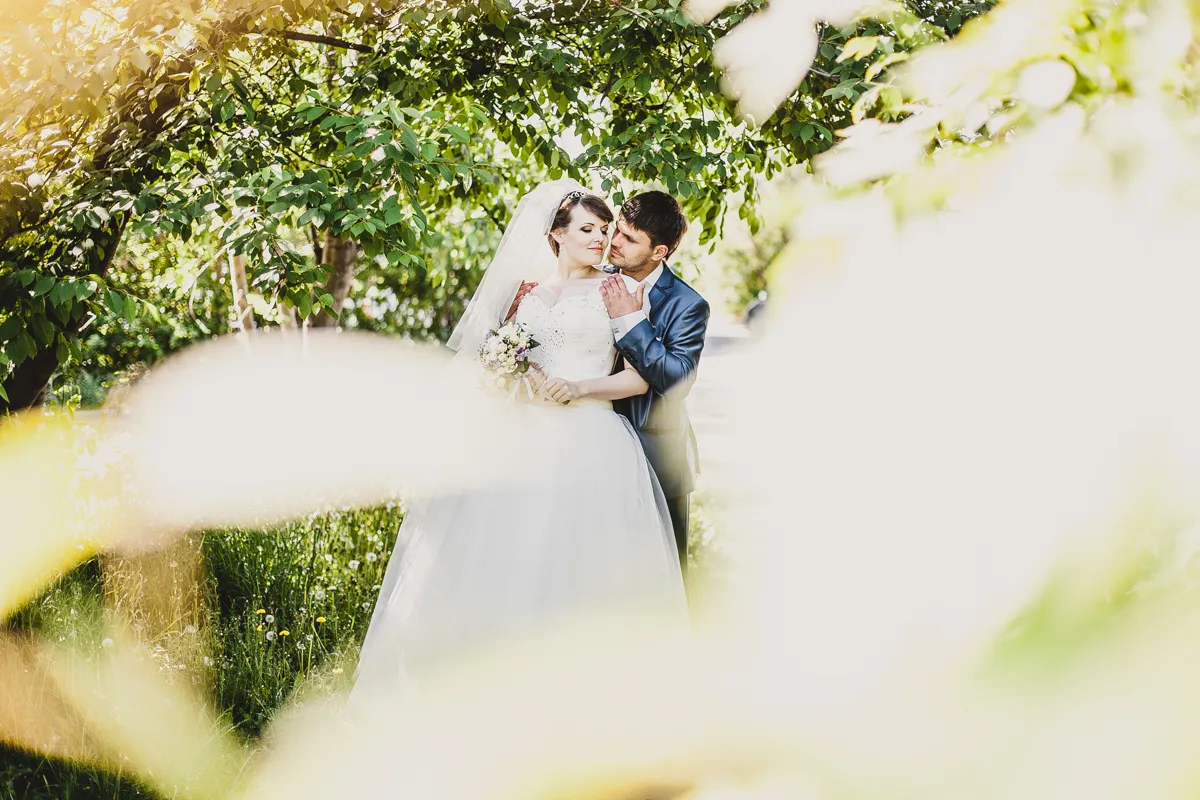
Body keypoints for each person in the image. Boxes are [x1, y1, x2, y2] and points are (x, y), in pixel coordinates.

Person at [352, 181, 689, 691]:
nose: (601, 239)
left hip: (592, 441)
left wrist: (578, 388)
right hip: (522, 436)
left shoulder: (617, 291)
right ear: (557, 234)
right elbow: (502, 362)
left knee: (580, 566)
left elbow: (639, 377)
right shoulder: (526, 295)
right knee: (500, 563)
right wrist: (513, 380)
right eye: (589, 229)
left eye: (605, 230)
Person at [601, 191, 710, 578]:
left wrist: (632, 324)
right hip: (590, 446)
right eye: (618, 229)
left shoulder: (687, 304)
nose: (614, 241)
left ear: (659, 251)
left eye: (630, 239)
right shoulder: (592, 278)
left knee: (663, 573)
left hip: (656, 452)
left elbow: (678, 381)